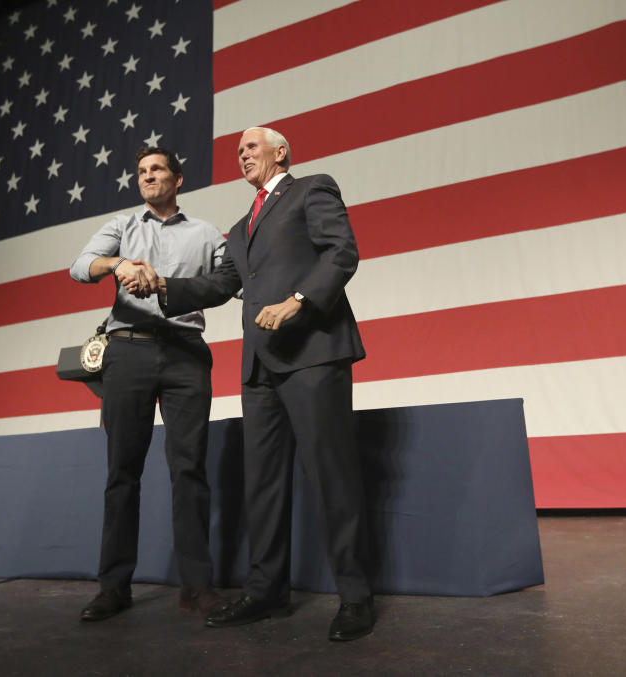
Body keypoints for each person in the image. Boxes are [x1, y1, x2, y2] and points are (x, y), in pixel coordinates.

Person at [130, 127, 374, 641]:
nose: (241, 155)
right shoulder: (240, 230)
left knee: (333, 477)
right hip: (260, 370)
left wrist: (299, 302)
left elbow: (341, 252)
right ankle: (266, 592)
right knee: (262, 485)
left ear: (280, 152)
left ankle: (355, 597)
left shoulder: (312, 189)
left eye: (251, 148)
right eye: (237, 151)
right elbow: (219, 286)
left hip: (312, 355)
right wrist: (163, 286)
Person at [69, 146, 227, 622]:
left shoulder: (205, 234)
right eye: (141, 172)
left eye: (157, 169)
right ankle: (114, 587)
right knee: (122, 472)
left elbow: (225, 284)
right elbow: (80, 267)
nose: (148, 177)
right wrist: (117, 266)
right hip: (128, 351)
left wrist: (164, 285)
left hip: (185, 354)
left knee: (190, 471)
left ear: (178, 179)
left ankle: (196, 587)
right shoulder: (122, 226)